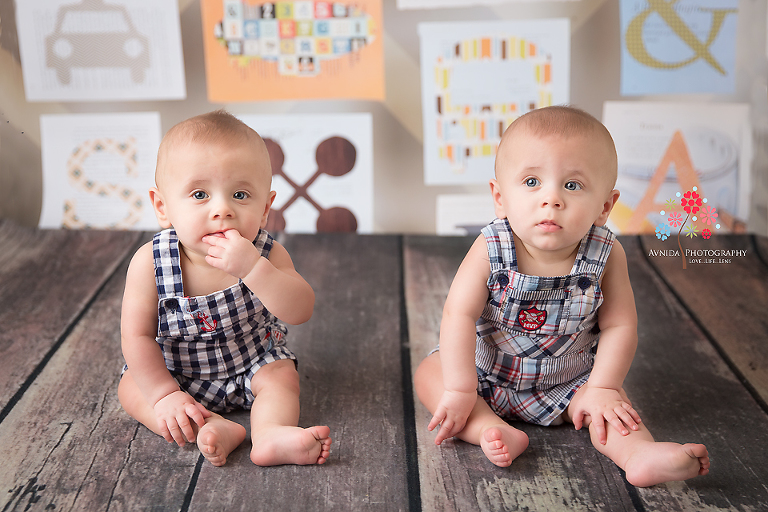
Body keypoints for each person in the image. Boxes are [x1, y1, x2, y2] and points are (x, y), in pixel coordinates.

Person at [413, 106, 709, 487]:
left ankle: (638, 453)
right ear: (500, 197)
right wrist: (459, 387)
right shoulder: (491, 247)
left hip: (569, 386)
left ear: (604, 207)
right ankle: (488, 426)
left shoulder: (606, 254)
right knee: (430, 374)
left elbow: (620, 325)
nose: (551, 199)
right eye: (532, 182)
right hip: (482, 376)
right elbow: (458, 315)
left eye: (572, 185)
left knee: (612, 407)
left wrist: (601, 386)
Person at [118, 110, 332, 467]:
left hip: (252, 363)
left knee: (281, 377)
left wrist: (254, 269)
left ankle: (270, 432)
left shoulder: (266, 253)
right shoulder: (150, 263)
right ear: (162, 206)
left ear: (265, 209)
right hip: (177, 374)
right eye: (200, 194)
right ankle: (210, 425)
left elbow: (301, 309)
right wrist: (164, 393)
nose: (222, 209)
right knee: (132, 391)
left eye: (240, 194)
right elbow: (136, 337)